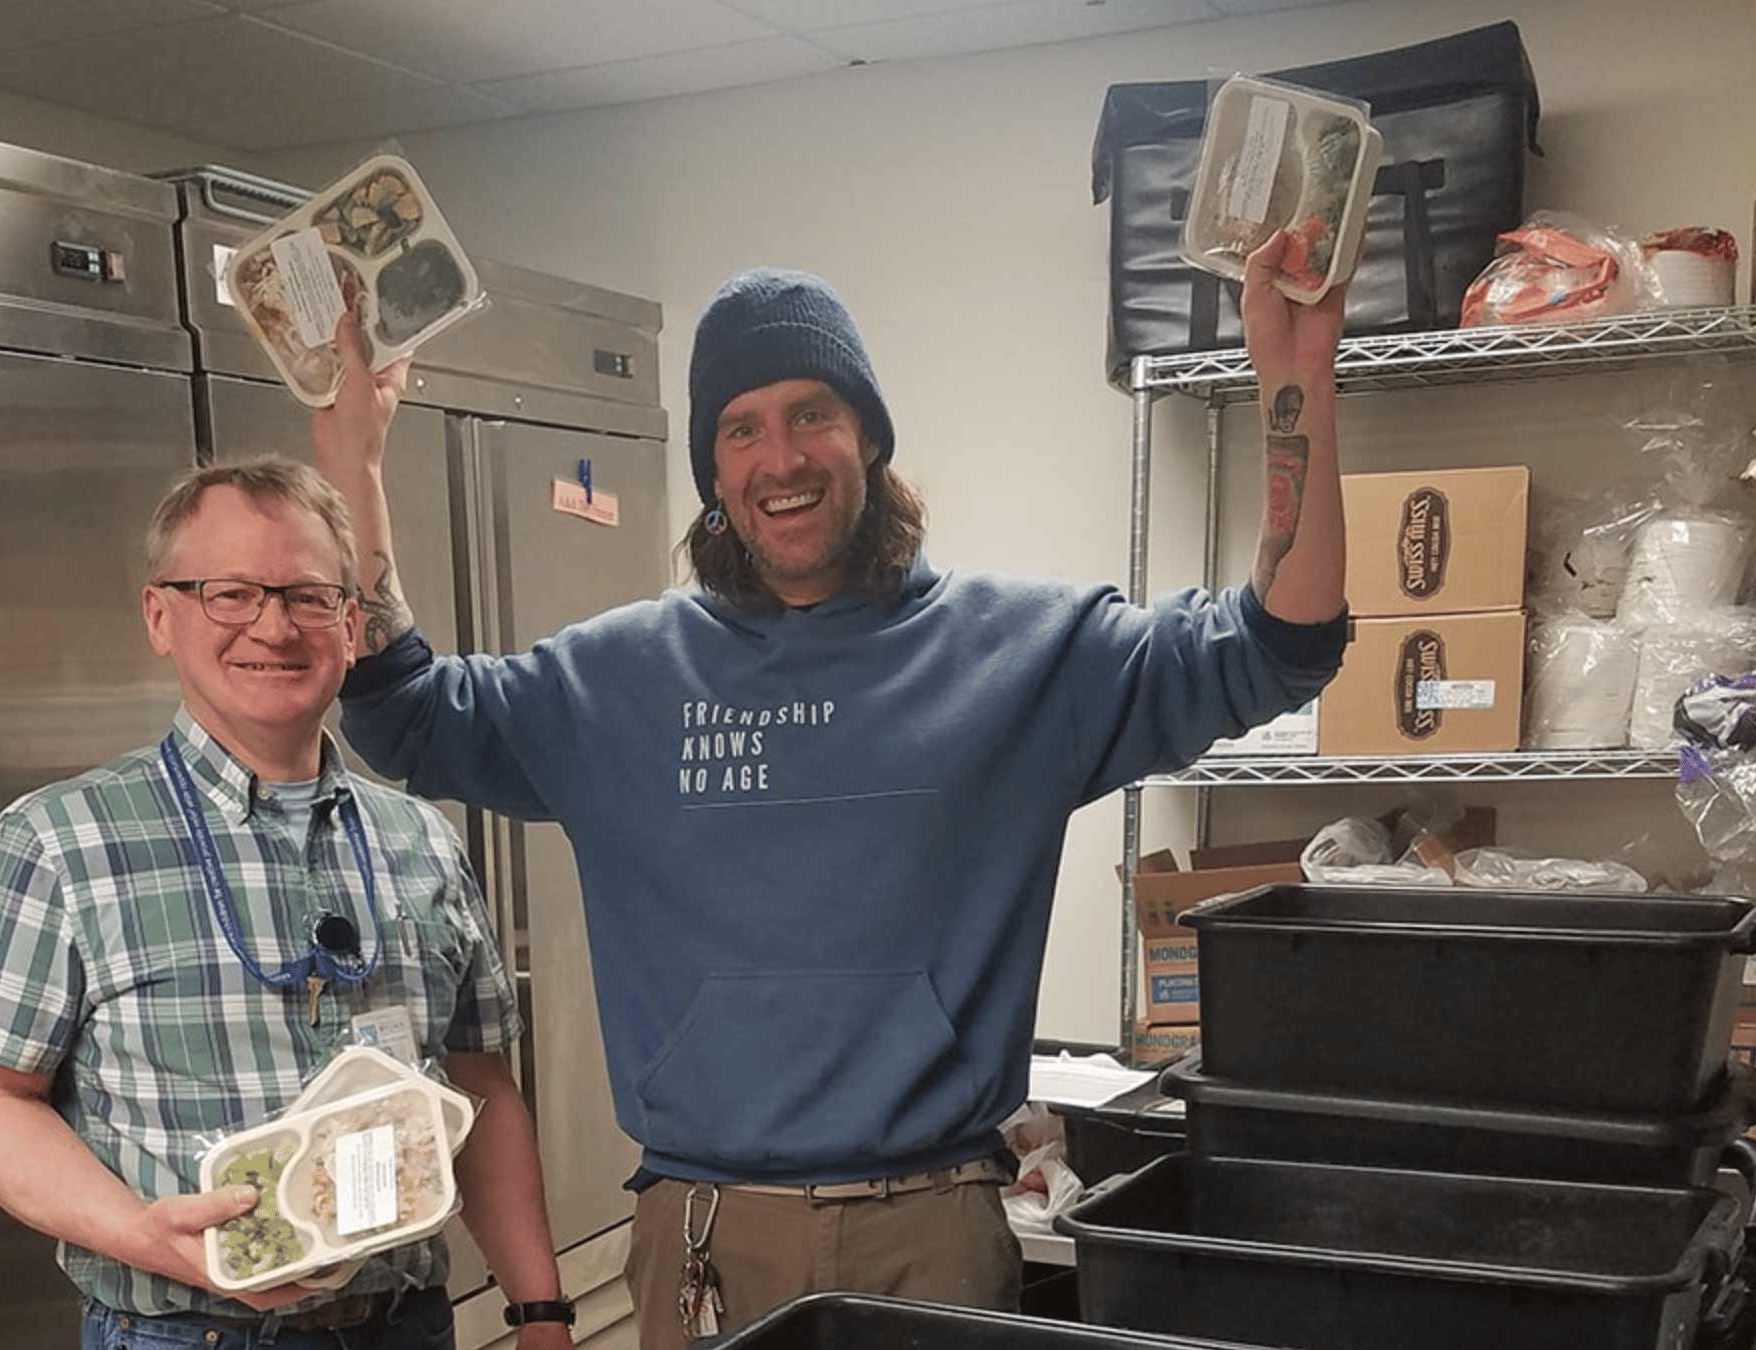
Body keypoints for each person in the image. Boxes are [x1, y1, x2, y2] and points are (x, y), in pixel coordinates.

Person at [317, 234, 1349, 1346]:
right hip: (702, 1234)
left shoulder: (1024, 657)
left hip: (935, 1236)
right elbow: (399, 710)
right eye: (741, 427)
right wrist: (353, 458)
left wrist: (1297, 385)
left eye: (813, 412)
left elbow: (1280, 646)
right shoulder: (614, 682)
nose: (781, 455)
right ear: (715, 472)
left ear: (869, 436)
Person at [0, 458, 578, 1350]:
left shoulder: (421, 840)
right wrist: (142, 1234)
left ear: (352, 628)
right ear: (161, 615)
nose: (273, 626)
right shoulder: (57, 841)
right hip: (184, 1331)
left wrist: (538, 1309)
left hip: (405, 1327)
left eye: (309, 596)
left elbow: (481, 1090)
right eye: (230, 593)